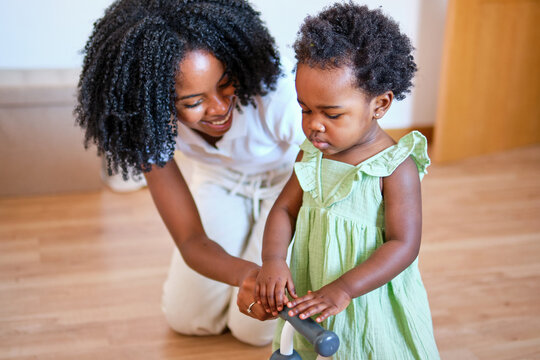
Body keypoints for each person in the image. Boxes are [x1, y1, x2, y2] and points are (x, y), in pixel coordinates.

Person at [75, 0, 304, 346]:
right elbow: (190, 240)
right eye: (193, 102)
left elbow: (324, 164)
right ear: (157, 102)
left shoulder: (275, 88)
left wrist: (272, 252)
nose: (219, 108)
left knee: (253, 332)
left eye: (226, 84)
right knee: (188, 318)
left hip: (290, 186)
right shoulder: (148, 123)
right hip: (220, 182)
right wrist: (245, 273)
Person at [254, 3, 440, 359]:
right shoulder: (311, 152)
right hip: (314, 285)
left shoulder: (395, 167)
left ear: (380, 104)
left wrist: (345, 288)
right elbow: (283, 210)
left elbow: (403, 244)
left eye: (332, 113)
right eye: (305, 108)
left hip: (366, 294)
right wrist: (273, 259)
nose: (314, 124)